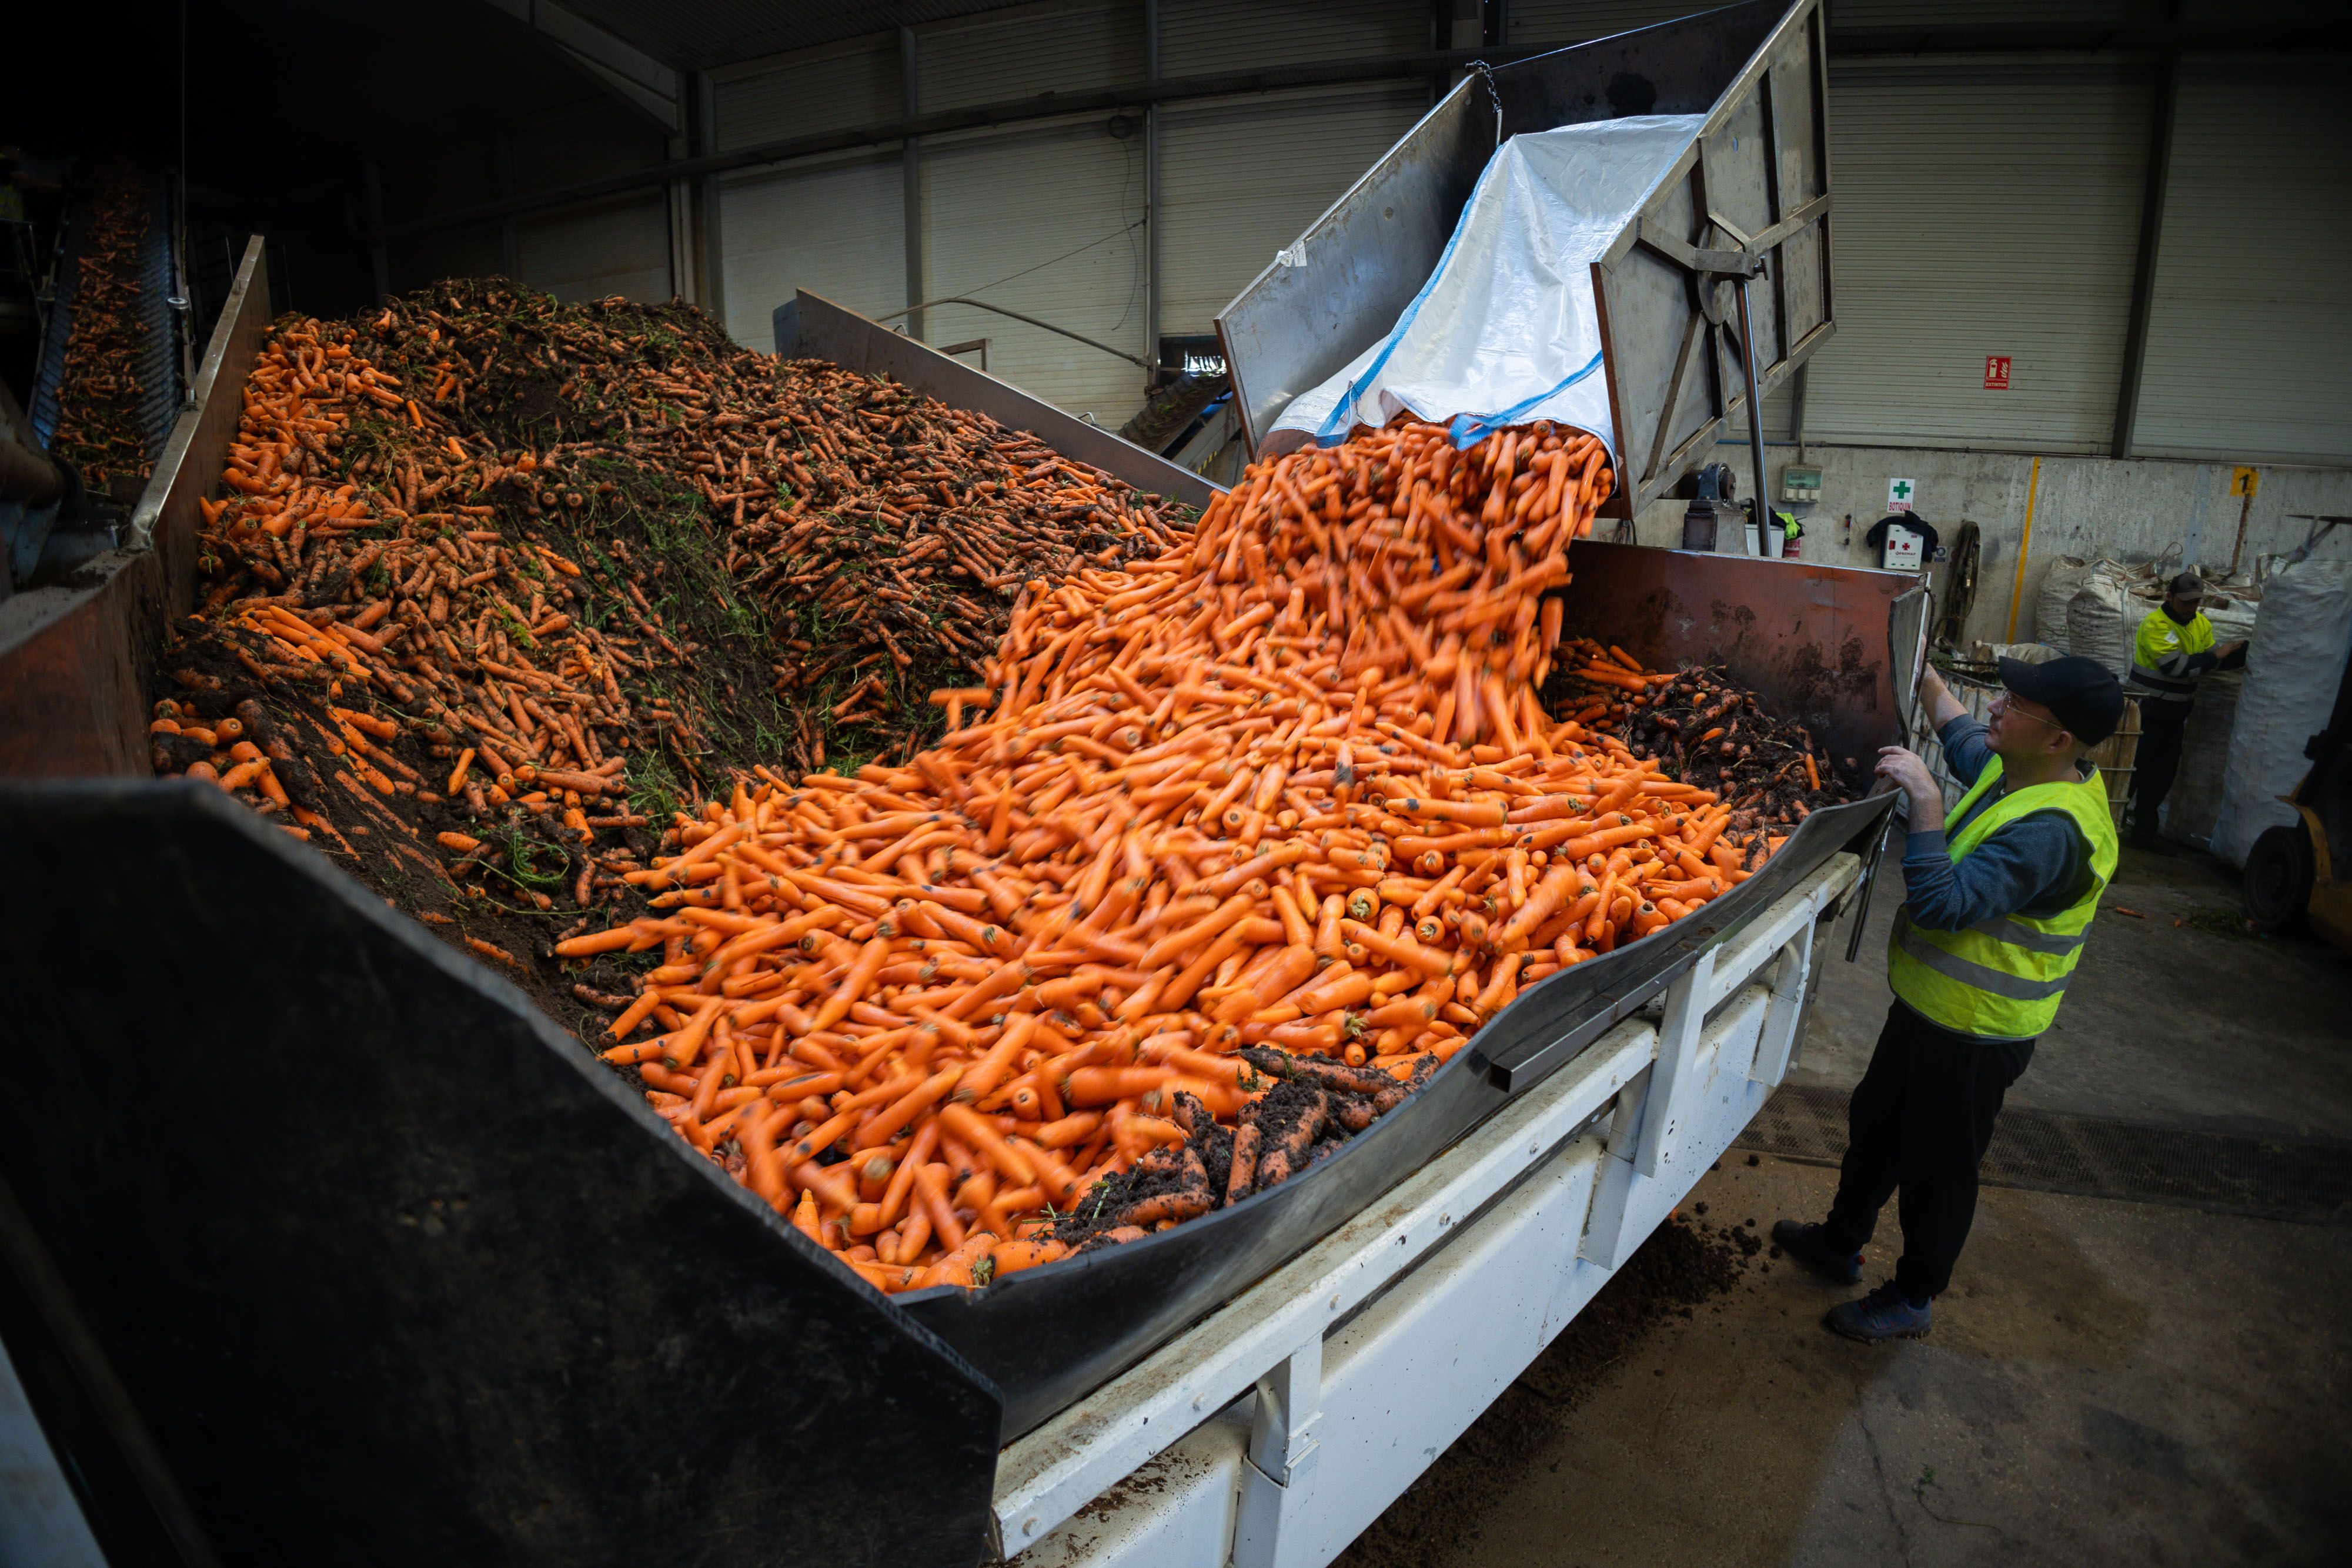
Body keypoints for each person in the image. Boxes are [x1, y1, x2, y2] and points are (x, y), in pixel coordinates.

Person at [1774, 655, 2124, 1343]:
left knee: (1937, 1170)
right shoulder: (2017, 769)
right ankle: (1840, 1242)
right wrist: (1919, 665)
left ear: (2058, 739)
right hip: (1927, 1010)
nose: (1994, 708)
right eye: (2003, 695)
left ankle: (1912, 1297)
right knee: (1876, 1124)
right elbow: (1960, 730)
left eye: (2014, 705)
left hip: (1977, 1033)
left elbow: (1942, 905)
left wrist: (1926, 806)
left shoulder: (2054, 832)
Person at [2124, 571, 2247, 852]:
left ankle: (2143, 834)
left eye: (2195, 602)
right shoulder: (2156, 625)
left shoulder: (2200, 623)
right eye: (2185, 602)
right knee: (2134, 772)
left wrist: (2236, 655)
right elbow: (2176, 668)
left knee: (2162, 776)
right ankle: (2109, 829)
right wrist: (2217, 655)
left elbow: (2209, 662)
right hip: (2147, 713)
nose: (2191, 608)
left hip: (2174, 716)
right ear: (2170, 597)